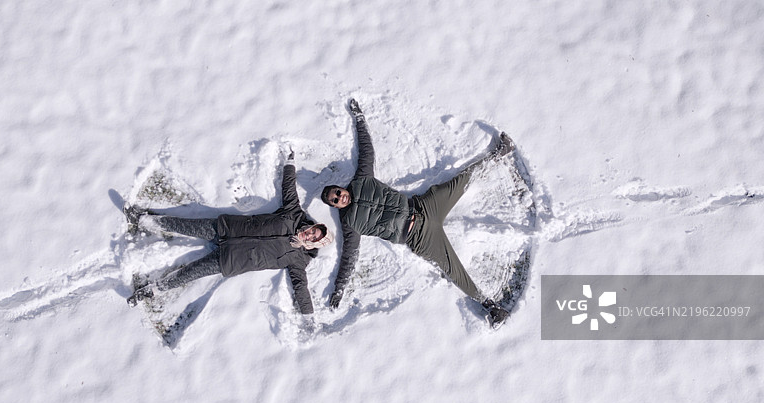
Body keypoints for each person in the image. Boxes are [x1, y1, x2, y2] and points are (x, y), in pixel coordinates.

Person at [322, 99, 516, 327]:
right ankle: (491, 307)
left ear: (339, 187)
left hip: (424, 206)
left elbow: (367, 149)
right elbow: (349, 258)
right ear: (335, 206)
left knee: (460, 181)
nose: (339, 197)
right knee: (453, 269)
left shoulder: (361, 179)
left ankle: (500, 152)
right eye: (335, 201)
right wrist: (339, 290)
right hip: (419, 237)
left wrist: (359, 118)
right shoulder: (350, 223)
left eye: (337, 193)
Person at [125, 151, 332, 315]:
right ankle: (143, 219)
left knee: (188, 274)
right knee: (182, 225)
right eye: (315, 231)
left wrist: (308, 313)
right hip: (227, 228)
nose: (311, 235)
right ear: (313, 226)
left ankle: (151, 290)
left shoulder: (299, 260)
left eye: (315, 239)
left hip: (230, 260)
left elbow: (300, 286)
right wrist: (290, 164)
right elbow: (289, 190)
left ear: (315, 245)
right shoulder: (294, 214)